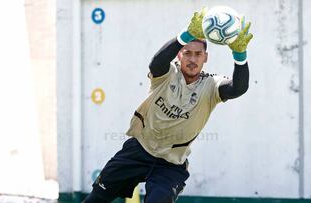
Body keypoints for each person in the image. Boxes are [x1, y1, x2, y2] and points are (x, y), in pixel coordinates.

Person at [83, 7, 253, 203]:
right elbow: (156, 63)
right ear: (179, 56)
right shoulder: (167, 74)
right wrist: (185, 35)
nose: (192, 59)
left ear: (205, 57)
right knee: (96, 198)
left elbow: (238, 88)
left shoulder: (211, 84)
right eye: (187, 53)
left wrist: (240, 55)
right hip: (138, 150)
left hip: (171, 164)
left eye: (198, 54)